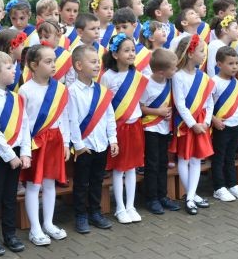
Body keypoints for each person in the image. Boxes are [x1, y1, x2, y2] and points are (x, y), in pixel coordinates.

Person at [18, 45, 70, 246]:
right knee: (34, 185)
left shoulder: (60, 88)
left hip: (55, 141)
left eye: (54, 61)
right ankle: (35, 228)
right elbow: (23, 123)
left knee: (49, 184)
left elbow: (63, 117)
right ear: (34, 65)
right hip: (36, 143)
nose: (53, 65)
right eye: (48, 62)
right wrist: (26, 150)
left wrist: (66, 143)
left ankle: (48, 223)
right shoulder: (25, 90)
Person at [0, 51, 31, 255]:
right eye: (9, 68)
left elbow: (25, 126)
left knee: (10, 196)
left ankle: (10, 235)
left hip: (16, 154)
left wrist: (25, 152)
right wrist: (10, 156)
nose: (14, 70)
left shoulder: (17, 98)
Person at [68, 45, 118, 234]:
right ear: (79, 65)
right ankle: (80, 215)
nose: (98, 65)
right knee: (81, 183)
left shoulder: (102, 91)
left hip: (101, 144)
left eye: (98, 62)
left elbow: (109, 116)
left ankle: (95, 212)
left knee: (97, 180)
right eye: (93, 62)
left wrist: (113, 139)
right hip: (84, 147)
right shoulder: (72, 91)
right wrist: (78, 145)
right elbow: (72, 121)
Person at [101, 33, 148, 224]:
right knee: (119, 169)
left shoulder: (137, 76)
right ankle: (120, 207)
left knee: (132, 168)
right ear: (115, 54)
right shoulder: (107, 77)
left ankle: (131, 205)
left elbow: (141, 100)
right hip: (118, 128)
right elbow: (104, 106)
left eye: (133, 50)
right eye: (126, 50)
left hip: (135, 126)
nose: (131, 54)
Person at [170, 35, 214, 214]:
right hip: (186, 124)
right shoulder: (177, 76)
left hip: (201, 122)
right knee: (184, 158)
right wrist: (192, 124)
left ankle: (190, 196)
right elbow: (180, 104)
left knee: (197, 158)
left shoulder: (204, 77)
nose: (204, 54)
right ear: (190, 53)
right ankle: (191, 196)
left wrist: (207, 121)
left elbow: (209, 102)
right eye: (201, 51)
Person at [139, 48, 181, 214]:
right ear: (161, 72)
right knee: (152, 164)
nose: (176, 70)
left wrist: (167, 114)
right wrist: (158, 112)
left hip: (164, 128)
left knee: (163, 163)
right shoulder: (147, 84)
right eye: (173, 68)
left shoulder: (169, 81)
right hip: (150, 128)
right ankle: (152, 198)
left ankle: (162, 195)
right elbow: (141, 107)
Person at [210, 46, 238, 202]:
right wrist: (214, 119)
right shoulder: (214, 82)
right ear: (219, 64)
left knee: (230, 156)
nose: (235, 67)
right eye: (230, 63)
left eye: (236, 63)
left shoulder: (236, 82)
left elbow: (236, 102)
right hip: (221, 126)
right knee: (219, 157)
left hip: (235, 125)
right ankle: (219, 187)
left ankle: (232, 184)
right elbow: (207, 105)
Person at [64, 13, 105, 86]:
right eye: (93, 29)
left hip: (99, 90)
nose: (97, 32)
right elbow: (71, 76)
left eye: (98, 28)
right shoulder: (74, 52)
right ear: (80, 32)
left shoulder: (103, 50)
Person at [112, 8, 152, 75]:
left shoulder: (143, 51)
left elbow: (147, 76)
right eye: (117, 28)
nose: (121, 31)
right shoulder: (114, 50)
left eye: (124, 27)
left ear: (134, 25)